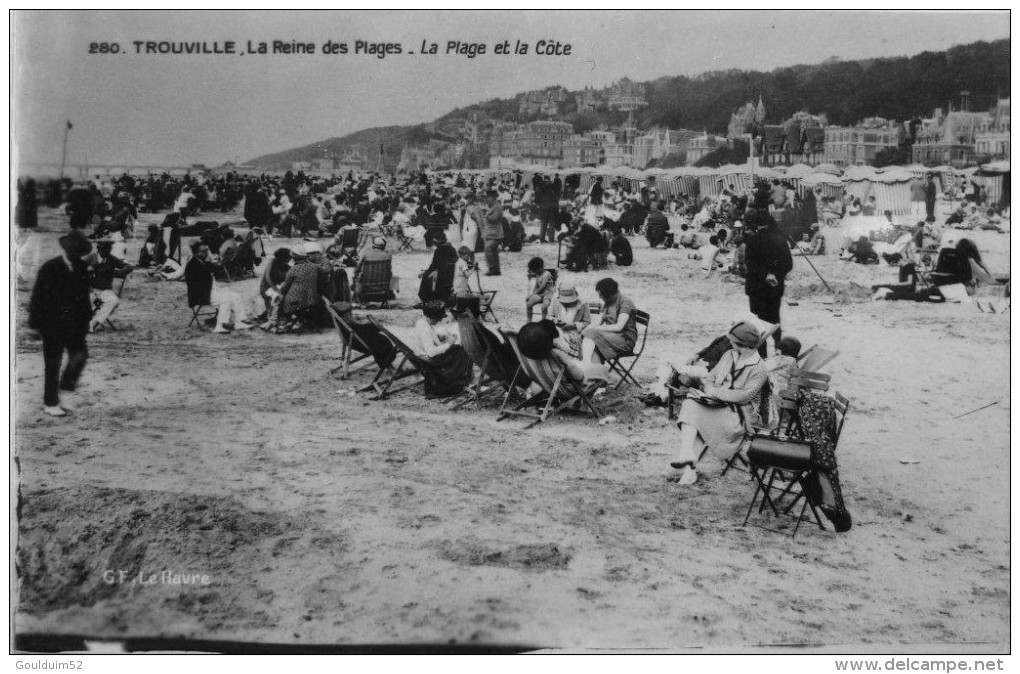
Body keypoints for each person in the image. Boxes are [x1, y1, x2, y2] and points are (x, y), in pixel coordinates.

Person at [669, 320, 768, 486]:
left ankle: (689, 468)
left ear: (743, 344)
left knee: (697, 417)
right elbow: (711, 377)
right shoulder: (729, 355)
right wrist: (708, 389)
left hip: (738, 416)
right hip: (717, 405)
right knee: (691, 403)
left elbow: (744, 396)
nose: (729, 342)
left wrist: (715, 392)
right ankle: (687, 456)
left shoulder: (759, 368)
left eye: (732, 341)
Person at [28, 230, 93, 416]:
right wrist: (34, 324)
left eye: (79, 252)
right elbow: (38, 297)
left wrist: (87, 318)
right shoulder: (51, 268)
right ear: (67, 250)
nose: (76, 255)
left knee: (79, 356)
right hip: (52, 324)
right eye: (74, 251)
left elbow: (84, 297)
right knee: (53, 363)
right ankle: (50, 403)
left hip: (75, 324)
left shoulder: (81, 266)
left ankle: (66, 391)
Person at [744, 211, 792, 354]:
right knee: (774, 318)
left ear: (757, 224)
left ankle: (762, 352)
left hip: (756, 287)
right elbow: (788, 264)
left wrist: (765, 275)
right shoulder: (780, 239)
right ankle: (779, 348)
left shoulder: (752, 239)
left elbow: (750, 264)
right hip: (774, 287)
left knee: (757, 320)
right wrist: (775, 275)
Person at [185, 241, 252, 334]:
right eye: (203, 251)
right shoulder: (192, 265)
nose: (206, 253)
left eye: (206, 250)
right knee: (225, 300)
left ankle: (239, 322)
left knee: (235, 295)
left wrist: (222, 263)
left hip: (210, 290)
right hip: (200, 294)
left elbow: (217, 270)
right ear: (196, 253)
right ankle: (220, 326)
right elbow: (197, 285)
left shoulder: (203, 262)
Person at [413, 300, 473, 397]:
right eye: (437, 319)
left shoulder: (423, 322)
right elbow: (431, 352)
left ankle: (458, 381)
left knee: (457, 349)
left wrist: (440, 338)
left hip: (425, 355)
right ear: (432, 317)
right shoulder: (424, 328)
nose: (438, 321)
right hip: (428, 360)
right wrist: (449, 343)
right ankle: (455, 384)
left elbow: (430, 340)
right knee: (461, 353)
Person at [580, 277, 637, 365]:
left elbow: (619, 327)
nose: (599, 296)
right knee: (590, 339)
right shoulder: (608, 302)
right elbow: (597, 322)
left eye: (601, 294)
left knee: (593, 335)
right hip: (612, 336)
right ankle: (594, 374)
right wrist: (583, 332)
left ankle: (586, 364)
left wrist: (596, 329)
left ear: (609, 294)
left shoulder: (625, 303)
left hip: (625, 340)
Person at [85, 238, 133, 332]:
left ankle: (93, 322)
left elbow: (129, 266)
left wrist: (120, 272)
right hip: (89, 290)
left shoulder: (111, 259)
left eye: (109, 249)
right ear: (98, 248)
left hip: (104, 290)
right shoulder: (90, 258)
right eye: (105, 248)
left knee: (114, 301)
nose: (107, 251)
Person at [548, 284, 591, 358]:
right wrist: (555, 321)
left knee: (562, 340)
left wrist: (574, 325)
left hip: (573, 333)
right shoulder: (555, 300)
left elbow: (587, 322)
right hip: (557, 330)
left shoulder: (583, 304)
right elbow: (549, 317)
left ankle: (569, 362)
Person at [417, 230, 459, 304]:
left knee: (426, 277)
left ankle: (425, 299)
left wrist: (425, 272)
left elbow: (434, 265)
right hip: (450, 275)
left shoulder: (439, 250)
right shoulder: (452, 248)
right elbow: (456, 258)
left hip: (441, 275)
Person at [259, 247, 292, 328]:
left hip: (278, 289)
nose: (289, 260)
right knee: (277, 296)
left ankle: (276, 314)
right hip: (266, 287)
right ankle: (272, 315)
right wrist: (276, 289)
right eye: (287, 258)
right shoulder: (272, 262)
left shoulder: (288, 268)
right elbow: (268, 277)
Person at [480, 192, 503, 276]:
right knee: (493, 251)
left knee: (488, 249)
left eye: (488, 198)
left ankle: (492, 268)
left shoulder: (497, 207)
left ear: (493, 198)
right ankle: (496, 270)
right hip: (491, 232)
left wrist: (485, 215)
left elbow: (495, 219)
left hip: (495, 233)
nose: (486, 200)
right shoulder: (494, 207)